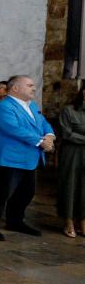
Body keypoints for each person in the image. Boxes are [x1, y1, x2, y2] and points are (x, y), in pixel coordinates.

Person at [0, 75, 55, 241]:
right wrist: (41, 142)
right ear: (15, 88)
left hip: (29, 158)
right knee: (0, 194)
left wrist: (50, 136)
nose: (34, 88)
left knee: (26, 192)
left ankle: (15, 221)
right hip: (8, 158)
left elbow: (44, 123)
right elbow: (13, 129)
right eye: (29, 85)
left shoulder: (32, 105)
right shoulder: (3, 106)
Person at [57, 85, 85, 238]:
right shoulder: (68, 110)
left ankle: (83, 221)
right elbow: (66, 133)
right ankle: (68, 221)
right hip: (72, 152)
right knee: (70, 184)